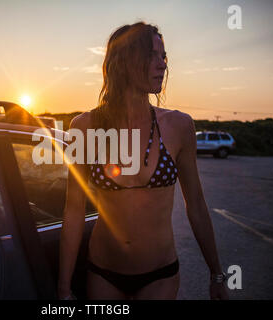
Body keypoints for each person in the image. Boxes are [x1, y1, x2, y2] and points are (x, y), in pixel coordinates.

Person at [58, 22, 229, 300]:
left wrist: (217, 274)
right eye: (152, 55)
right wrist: (63, 290)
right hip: (103, 274)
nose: (162, 65)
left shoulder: (179, 126)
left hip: (159, 276)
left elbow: (195, 204)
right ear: (123, 61)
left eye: (164, 57)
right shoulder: (84, 127)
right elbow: (74, 210)